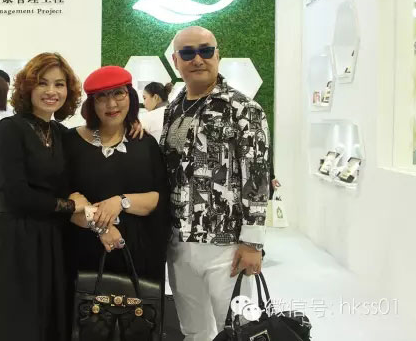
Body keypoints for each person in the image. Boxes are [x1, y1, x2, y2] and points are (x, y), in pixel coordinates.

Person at [0, 52, 90, 341]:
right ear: (28, 87)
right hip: (17, 240)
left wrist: (132, 124)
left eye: (59, 84)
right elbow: (14, 193)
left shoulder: (61, 133)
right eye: (43, 83)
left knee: (49, 320)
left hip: (55, 241)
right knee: (17, 321)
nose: (51, 91)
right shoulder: (11, 128)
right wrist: (70, 206)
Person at [161, 26, 270, 340]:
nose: (198, 59)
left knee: (239, 329)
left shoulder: (243, 109)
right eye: (187, 53)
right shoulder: (173, 109)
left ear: (217, 55)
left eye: (206, 51)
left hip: (227, 244)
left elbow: (257, 175)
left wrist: (252, 243)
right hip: (179, 240)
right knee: (193, 329)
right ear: (175, 61)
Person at [64, 66, 170, 285]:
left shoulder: (144, 144)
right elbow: (65, 201)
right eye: (101, 97)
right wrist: (102, 227)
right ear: (91, 104)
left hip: (138, 257)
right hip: (82, 254)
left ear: (130, 96)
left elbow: (157, 198)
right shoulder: (70, 142)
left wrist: (120, 201)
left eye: (118, 94)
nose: (111, 104)